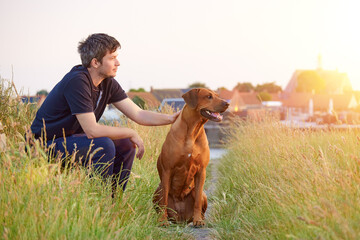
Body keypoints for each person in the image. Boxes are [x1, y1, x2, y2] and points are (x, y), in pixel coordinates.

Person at [30, 33, 179, 192]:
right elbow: (92, 130)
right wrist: (130, 132)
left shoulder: (108, 83)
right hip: (43, 146)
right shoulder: (77, 81)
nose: (118, 63)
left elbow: (139, 114)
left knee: (126, 144)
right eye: (112, 58)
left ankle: (114, 201)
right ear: (95, 62)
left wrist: (171, 118)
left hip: (72, 140)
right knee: (104, 144)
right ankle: (99, 198)